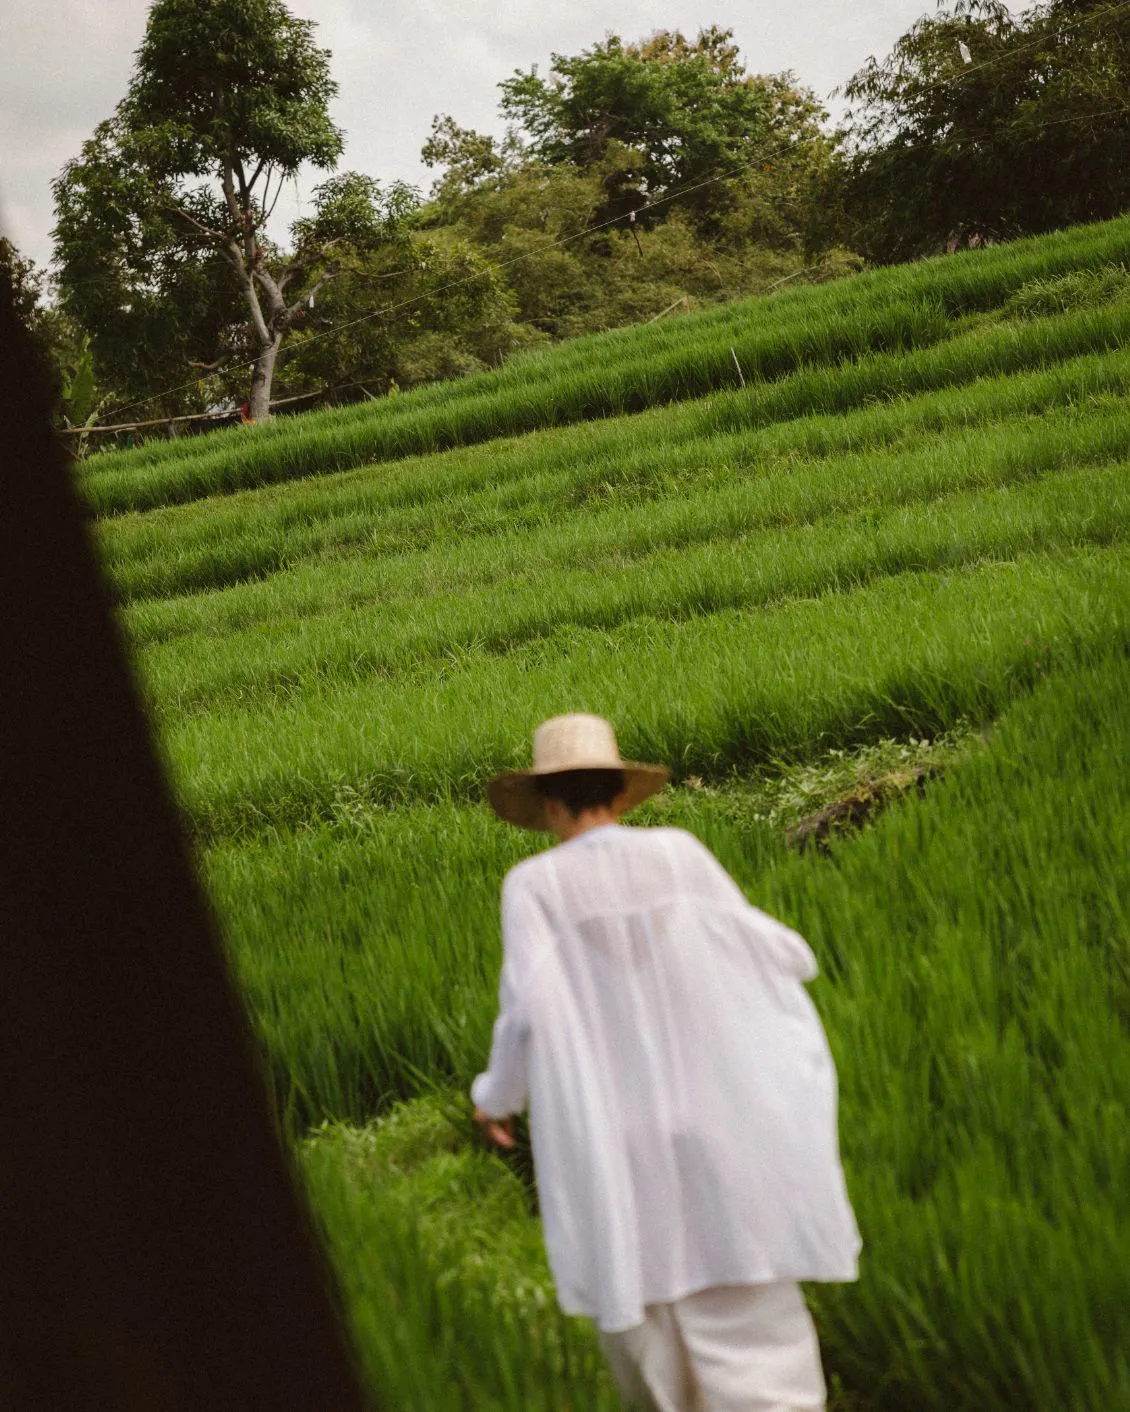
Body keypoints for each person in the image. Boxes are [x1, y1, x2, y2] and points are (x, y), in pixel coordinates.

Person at [473, 713, 861, 1412]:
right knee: (744, 1287)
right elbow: (784, 954)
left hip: (613, 1136)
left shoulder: (534, 886)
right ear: (621, 795)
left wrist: (496, 1097)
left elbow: (524, 1011)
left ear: (548, 805)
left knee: (646, 1302)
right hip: (716, 1116)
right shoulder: (679, 855)